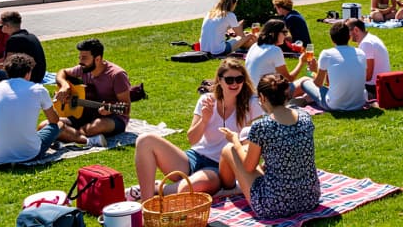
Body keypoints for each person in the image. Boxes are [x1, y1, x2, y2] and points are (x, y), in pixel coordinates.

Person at [132, 59, 263, 202]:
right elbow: (192, 139)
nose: (235, 84)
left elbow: (253, 143)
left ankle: (156, 188)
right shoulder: (207, 100)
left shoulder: (251, 104)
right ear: (219, 80)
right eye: (230, 80)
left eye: (239, 79)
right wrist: (204, 120)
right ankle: (146, 204)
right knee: (145, 140)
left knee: (186, 189)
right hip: (194, 157)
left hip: (218, 168)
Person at [216, 75, 321, 219]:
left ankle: (228, 188)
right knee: (246, 151)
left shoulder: (262, 126)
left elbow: (248, 167)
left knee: (230, 149)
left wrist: (235, 139)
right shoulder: (305, 117)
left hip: (274, 205)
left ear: (262, 98)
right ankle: (230, 187)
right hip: (309, 198)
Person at [0, 54, 61, 164]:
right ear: (28, 73)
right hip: (30, 154)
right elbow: (54, 121)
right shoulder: (38, 90)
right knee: (58, 126)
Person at [52, 39, 131, 148]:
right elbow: (62, 72)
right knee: (46, 125)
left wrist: (109, 111)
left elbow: (126, 109)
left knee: (97, 126)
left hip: (113, 118)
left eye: (84, 58)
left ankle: (65, 135)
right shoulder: (84, 68)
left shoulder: (117, 75)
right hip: (86, 115)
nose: (80, 62)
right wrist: (64, 85)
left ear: (97, 59)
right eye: (79, 57)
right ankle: (83, 139)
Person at [294, 22, 367, 112]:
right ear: (349, 37)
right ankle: (305, 98)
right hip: (359, 103)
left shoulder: (327, 54)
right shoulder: (361, 53)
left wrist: (313, 72)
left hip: (335, 105)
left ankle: (284, 100)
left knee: (304, 82)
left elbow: (318, 84)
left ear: (332, 39)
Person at [245, 20, 305, 87]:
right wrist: (301, 62)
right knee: (305, 80)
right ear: (273, 33)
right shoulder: (275, 50)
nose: (286, 36)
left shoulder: (255, 46)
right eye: (284, 32)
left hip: (250, 92)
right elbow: (289, 79)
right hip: (264, 94)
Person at [0, 11, 46, 84]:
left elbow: (7, 66)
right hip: (39, 75)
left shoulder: (13, 40)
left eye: (0, 26)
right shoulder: (31, 36)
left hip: (28, 78)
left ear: (6, 26)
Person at [347, 18, 390, 99]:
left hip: (374, 87)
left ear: (356, 30)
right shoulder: (370, 38)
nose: (346, 35)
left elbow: (368, 76)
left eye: (347, 31)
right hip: (382, 83)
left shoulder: (366, 44)